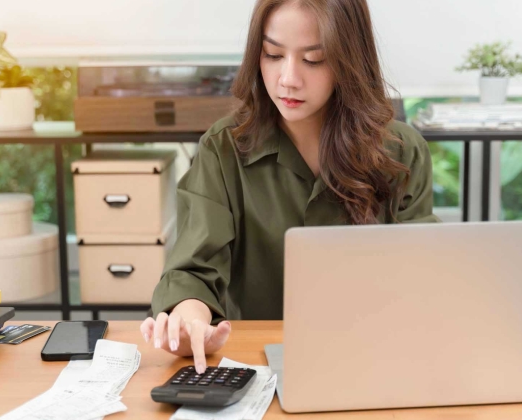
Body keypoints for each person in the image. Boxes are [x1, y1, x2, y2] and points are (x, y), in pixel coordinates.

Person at [141, 0, 439, 373]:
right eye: (272, 54)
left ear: (351, 61)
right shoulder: (224, 148)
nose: (288, 78)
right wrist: (189, 321)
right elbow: (192, 269)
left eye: (313, 60)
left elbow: (424, 273)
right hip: (256, 363)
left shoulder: (401, 150)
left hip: (374, 361)